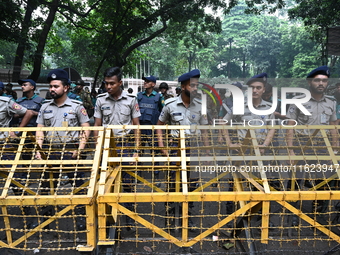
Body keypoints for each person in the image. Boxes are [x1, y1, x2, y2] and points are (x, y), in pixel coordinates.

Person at [156, 69, 209, 229]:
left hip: (194, 147)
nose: (195, 88)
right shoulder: (170, 105)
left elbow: (205, 129)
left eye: (196, 85)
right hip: (175, 147)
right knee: (173, 180)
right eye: (192, 85)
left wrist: (206, 151)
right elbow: (159, 125)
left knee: (192, 182)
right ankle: (172, 213)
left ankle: (187, 214)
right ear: (184, 86)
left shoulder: (200, 106)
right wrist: (161, 145)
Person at [286, 66, 338, 215]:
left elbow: (333, 126)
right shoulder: (297, 101)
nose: (321, 84)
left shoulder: (331, 102)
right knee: (296, 179)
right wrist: (291, 151)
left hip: (323, 145)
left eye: (324, 81)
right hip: (302, 143)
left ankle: (318, 212)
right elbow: (290, 126)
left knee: (323, 179)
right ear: (310, 82)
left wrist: (334, 149)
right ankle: (292, 211)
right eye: (317, 80)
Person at [93, 67, 140, 228]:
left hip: (125, 144)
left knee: (128, 181)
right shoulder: (100, 100)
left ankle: (129, 216)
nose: (108, 87)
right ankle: (108, 217)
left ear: (120, 83)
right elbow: (97, 126)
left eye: (112, 83)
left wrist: (136, 151)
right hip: (107, 146)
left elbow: (136, 126)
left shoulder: (131, 100)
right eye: (106, 83)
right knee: (106, 182)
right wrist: (98, 149)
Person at [137, 75, 164, 182]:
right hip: (140, 128)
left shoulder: (158, 97)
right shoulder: (138, 96)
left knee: (155, 150)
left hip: (153, 129)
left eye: (147, 81)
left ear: (153, 84)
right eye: (144, 81)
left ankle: (156, 172)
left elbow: (164, 112)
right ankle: (138, 173)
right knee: (139, 150)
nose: (145, 83)